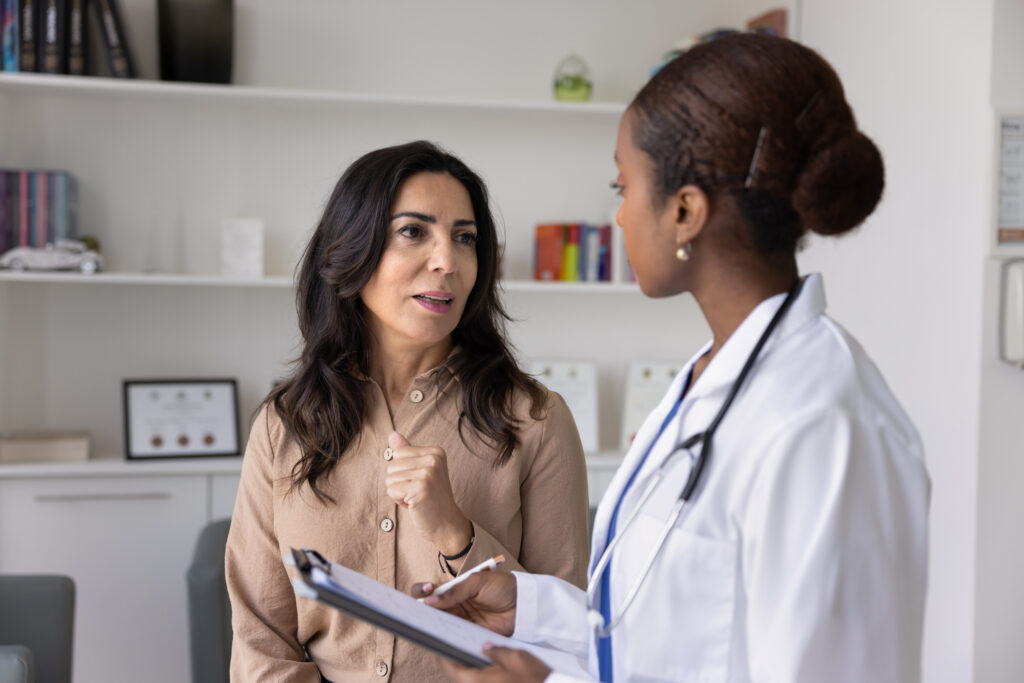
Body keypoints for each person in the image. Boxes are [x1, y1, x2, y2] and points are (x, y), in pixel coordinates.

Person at [415, 33, 930, 683]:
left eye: (622, 185)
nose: (621, 216)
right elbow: (661, 628)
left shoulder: (823, 423)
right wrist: (529, 608)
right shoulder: (711, 377)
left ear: (685, 210)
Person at [224, 140, 590, 682]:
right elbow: (260, 643)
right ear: (353, 247)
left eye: (465, 239)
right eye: (413, 231)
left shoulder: (536, 420)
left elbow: (566, 643)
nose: (447, 261)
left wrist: (455, 533)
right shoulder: (286, 424)